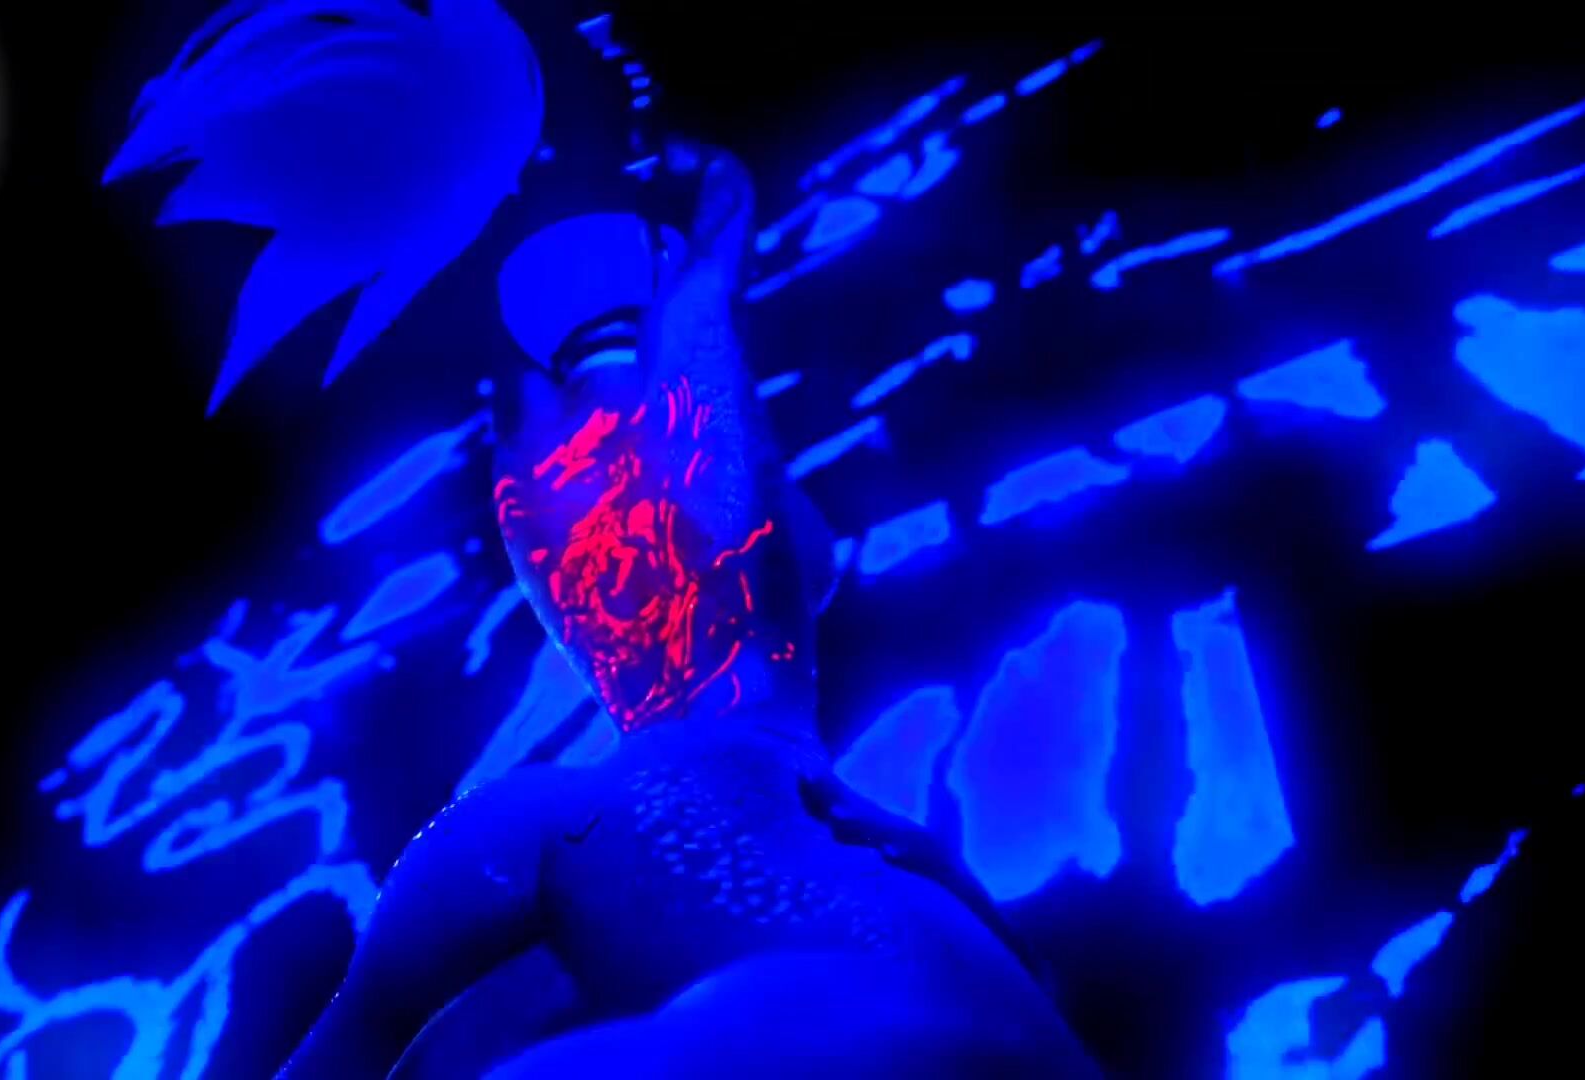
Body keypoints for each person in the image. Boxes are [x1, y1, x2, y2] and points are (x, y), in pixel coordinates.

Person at [278, 142, 1102, 1079]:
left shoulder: (559, 823)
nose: (635, 449)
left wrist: (708, 245)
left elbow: (715, 420)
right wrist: (710, 241)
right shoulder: (542, 825)